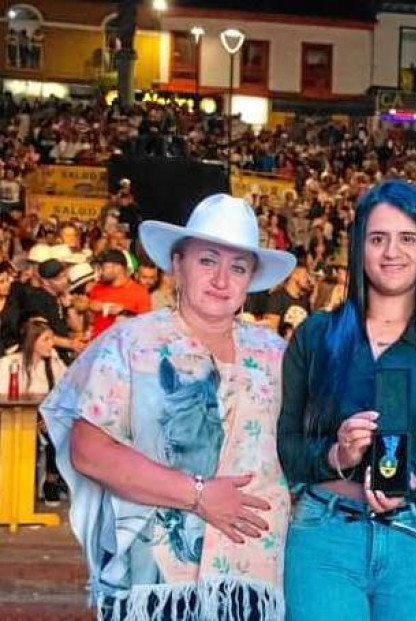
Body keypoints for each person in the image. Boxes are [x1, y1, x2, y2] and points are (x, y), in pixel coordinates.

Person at [40, 193, 297, 620]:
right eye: (207, 261)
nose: (221, 279)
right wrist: (198, 496)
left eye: (237, 267)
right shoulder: (128, 343)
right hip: (155, 580)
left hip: (252, 574)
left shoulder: (279, 355)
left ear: (251, 279)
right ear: (178, 264)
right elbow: (89, 450)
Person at [278, 179, 416, 620]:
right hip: (325, 538)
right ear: (359, 247)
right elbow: (288, 449)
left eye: (407, 238)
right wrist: (336, 454)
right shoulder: (318, 335)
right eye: (378, 238)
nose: (391, 252)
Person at [0, 317, 68, 503]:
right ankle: (12, 490)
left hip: (43, 416)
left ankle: (51, 482)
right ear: (33, 341)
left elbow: (66, 394)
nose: (51, 344)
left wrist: (51, 417)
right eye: (46, 339)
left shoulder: (54, 364)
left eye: (51, 339)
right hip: (12, 417)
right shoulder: (10, 363)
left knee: (59, 428)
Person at [87, 249, 151, 339]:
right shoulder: (96, 288)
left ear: (118, 268)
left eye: (103, 267)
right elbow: (89, 322)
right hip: (96, 345)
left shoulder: (139, 292)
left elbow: (146, 324)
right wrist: (88, 306)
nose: (99, 272)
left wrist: (123, 312)